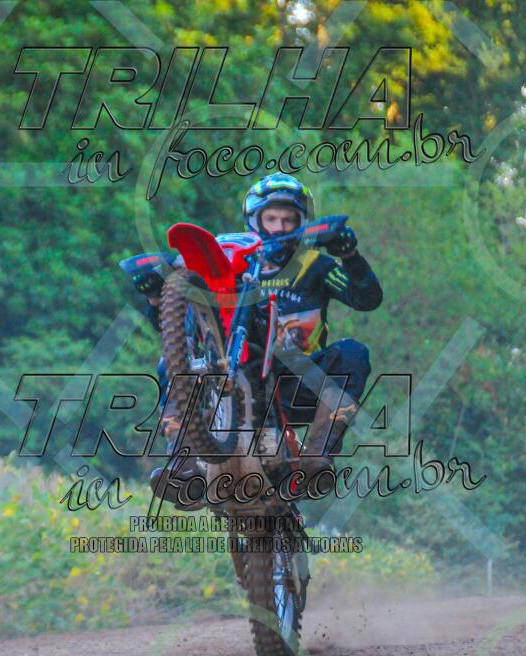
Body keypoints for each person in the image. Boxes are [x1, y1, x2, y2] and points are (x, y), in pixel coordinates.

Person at [132, 173, 383, 501]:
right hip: (230, 373)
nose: (279, 227)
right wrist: (155, 298)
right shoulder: (231, 267)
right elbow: (174, 331)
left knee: (353, 352)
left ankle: (318, 456)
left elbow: (367, 299)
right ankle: (183, 463)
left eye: (289, 220)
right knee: (169, 363)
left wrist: (350, 256)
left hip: (296, 382)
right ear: (254, 220)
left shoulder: (315, 266)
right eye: (271, 218)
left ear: (302, 222)